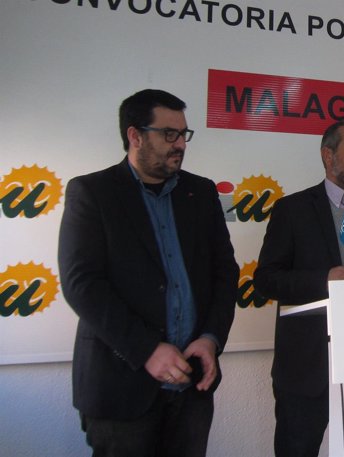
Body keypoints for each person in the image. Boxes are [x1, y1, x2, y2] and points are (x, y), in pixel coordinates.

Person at [58, 89, 240, 457]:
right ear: (135, 135)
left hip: (192, 385)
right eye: (168, 134)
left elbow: (225, 272)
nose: (179, 145)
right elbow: (82, 283)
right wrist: (146, 350)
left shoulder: (201, 192)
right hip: (120, 388)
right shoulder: (93, 192)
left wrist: (210, 338)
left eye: (184, 134)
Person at [253, 119, 344, 457]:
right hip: (308, 366)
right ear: (328, 156)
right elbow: (266, 279)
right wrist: (324, 280)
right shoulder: (293, 210)